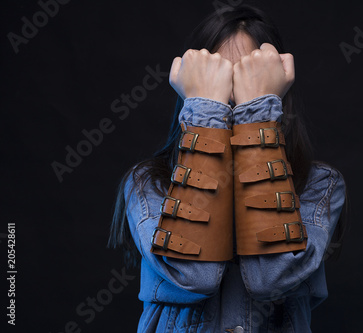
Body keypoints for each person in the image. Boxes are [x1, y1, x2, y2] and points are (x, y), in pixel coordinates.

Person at [109, 4, 347, 332]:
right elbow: (194, 276)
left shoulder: (319, 184)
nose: (235, 94)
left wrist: (257, 114)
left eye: (250, 76)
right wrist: (208, 113)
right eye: (218, 77)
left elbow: (270, 279)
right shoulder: (148, 183)